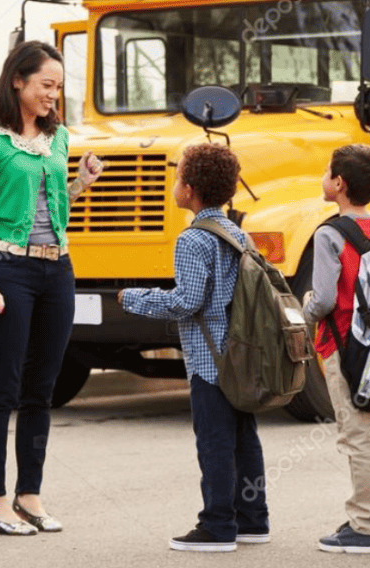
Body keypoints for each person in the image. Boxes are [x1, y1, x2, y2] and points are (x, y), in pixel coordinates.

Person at [0, 40, 102, 536]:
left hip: (58, 268)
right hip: (9, 268)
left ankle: (29, 494)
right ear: (18, 82)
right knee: (2, 389)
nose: (54, 95)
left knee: (41, 389)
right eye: (46, 85)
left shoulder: (59, 139)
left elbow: (54, 211)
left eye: (58, 87)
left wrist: (79, 185)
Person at [119, 144, 267, 552]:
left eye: (177, 176)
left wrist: (133, 298)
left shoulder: (192, 239)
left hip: (209, 358)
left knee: (214, 441)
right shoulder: (239, 234)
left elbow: (187, 301)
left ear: (190, 189)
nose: (174, 184)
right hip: (242, 354)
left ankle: (217, 525)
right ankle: (253, 519)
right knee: (244, 436)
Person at [300, 144, 370, 554]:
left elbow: (322, 299)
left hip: (342, 342)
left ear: (339, 184)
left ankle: (365, 525)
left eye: (327, 172)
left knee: (356, 435)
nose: (324, 177)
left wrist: (303, 304)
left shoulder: (329, 233)